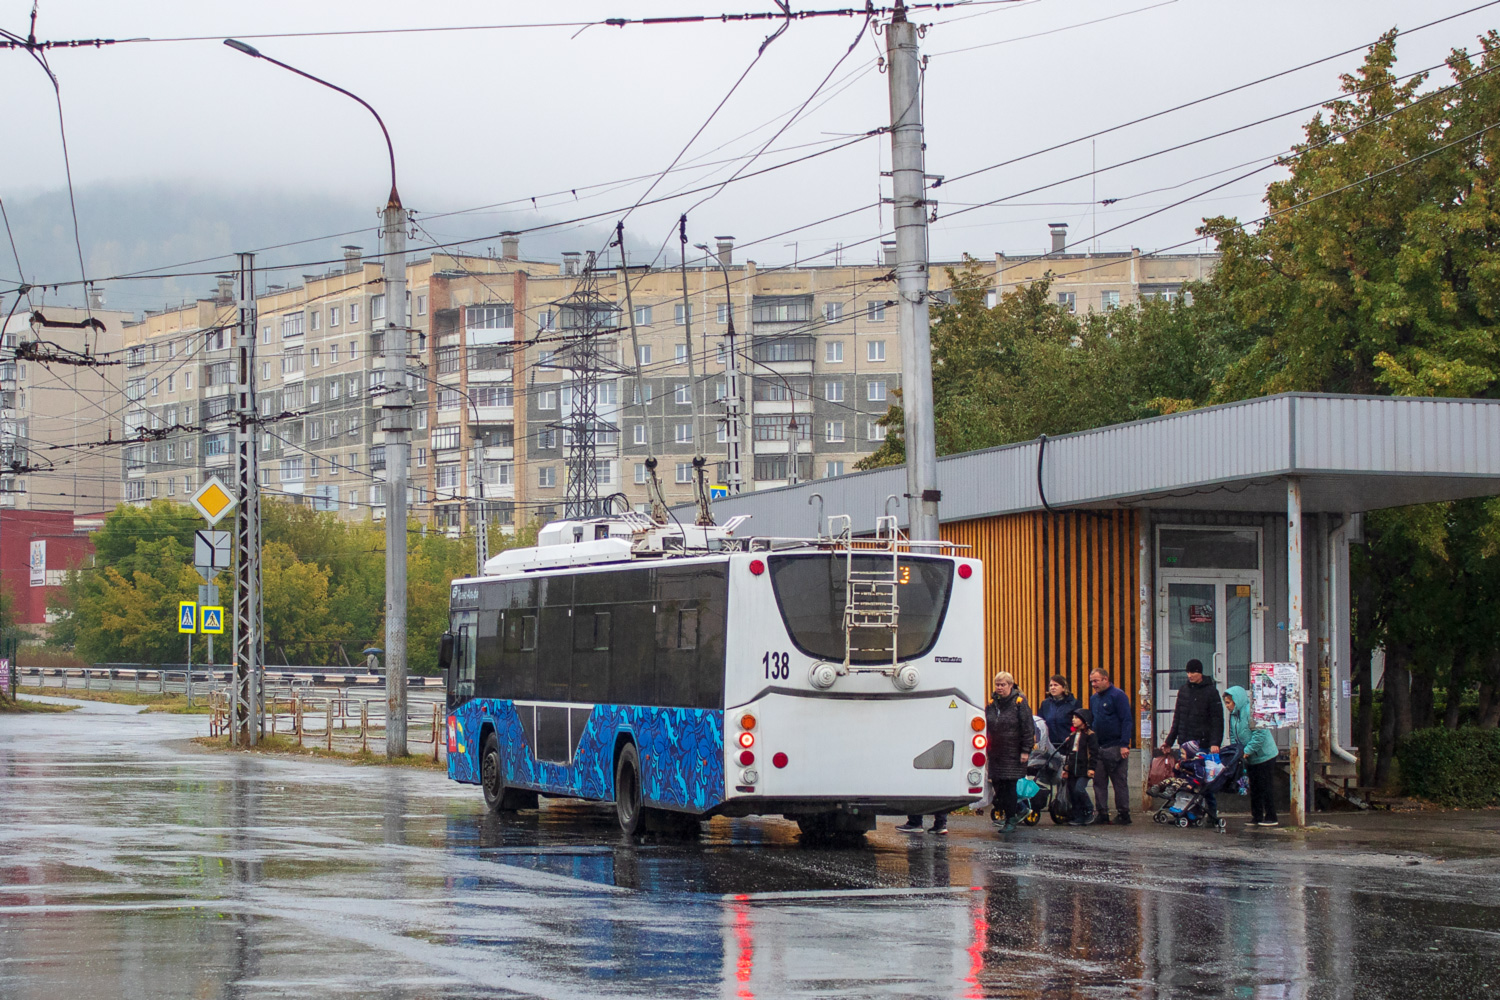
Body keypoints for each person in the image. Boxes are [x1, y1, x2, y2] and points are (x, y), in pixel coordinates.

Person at [1163, 659, 1225, 823]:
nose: (1190, 675)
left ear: (1200, 673)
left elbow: (1217, 720)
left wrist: (1215, 743)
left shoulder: (1211, 692)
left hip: (1203, 744)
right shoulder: (1183, 691)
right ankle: (1187, 811)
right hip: (1185, 744)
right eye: (1188, 672)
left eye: (1193, 672)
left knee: (1203, 781)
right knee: (1185, 781)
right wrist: (1169, 740)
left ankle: (1211, 813)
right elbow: (1177, 719)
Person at [986, 671, 1035, 833]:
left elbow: (1028, 728)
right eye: (997, 685)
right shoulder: (992, 704)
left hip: (1013, 753)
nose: (999, 688)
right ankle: (1015, 812)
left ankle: (1010, 819)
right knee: (997, 787)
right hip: (996, 754)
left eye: (1003, 685)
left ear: (1011, 685)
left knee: (1009, 787)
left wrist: (1025, 750)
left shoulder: (1019, 704)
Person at [1225, 685, 1279, 827]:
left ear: (1237, 700)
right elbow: (1233, 734)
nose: (1227, 706)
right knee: (1254, 786)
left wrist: (1247, 750)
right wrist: (1236, 750)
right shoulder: (1234, 715)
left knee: (1265, 785)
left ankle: (1271, 816)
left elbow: (1260, 733)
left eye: (1229, 702)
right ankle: (1257, 816)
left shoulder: (1251, 712)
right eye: (1226, 703)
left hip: (1265, 755)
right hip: (1250, 757)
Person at [1088, 668, 1134, 825]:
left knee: (1119, 781)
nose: (1093, 684)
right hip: (1099, 746)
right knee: (1099, 782)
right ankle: (1102, 813)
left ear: (1106, 679)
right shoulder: (1094, 699)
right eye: (1092, 681)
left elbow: (1126, 720)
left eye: (1096, 681)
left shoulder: (1118, 695)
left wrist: (1124, 744)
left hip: (1115, 745)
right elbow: (1093, 720)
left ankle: (1123, 813)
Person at [1059, 708, 1098, 826]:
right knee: (1072, 791)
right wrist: (1066, 769)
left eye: (1076, 718)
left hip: (1084, 770)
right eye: (1073, 718)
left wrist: (1091, 768)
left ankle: (1089, 809)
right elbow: (1069, 754)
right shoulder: (1072, 736)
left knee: (1079, 789)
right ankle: (1077, 815)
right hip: (1073, 770)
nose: (1073, 720)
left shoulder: (1090, 736)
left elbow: (1094, 753)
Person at [1037, 675, 1079, 748]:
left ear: (1063, 688)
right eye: (1051, 685)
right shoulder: (1045, 704)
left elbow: (1078, 725)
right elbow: (1040, 723)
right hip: (1049, 746)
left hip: (1068, 744)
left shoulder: (1074, 703)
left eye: (1056, 685)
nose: (1052, 687)